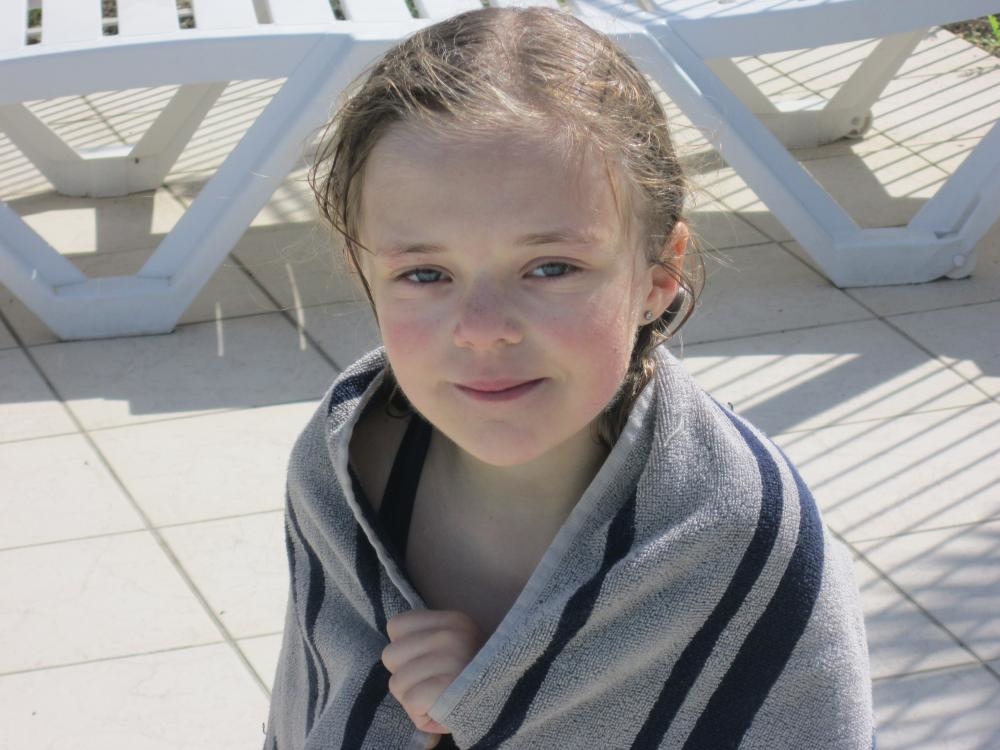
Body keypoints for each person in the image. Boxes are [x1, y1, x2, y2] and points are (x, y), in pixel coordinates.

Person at [263, 7, 873, 749]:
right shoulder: (338, 470)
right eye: (424, 273)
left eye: (551, 267)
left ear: (659, 275)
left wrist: (495, 710)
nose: (483, 327)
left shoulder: (745, 543)